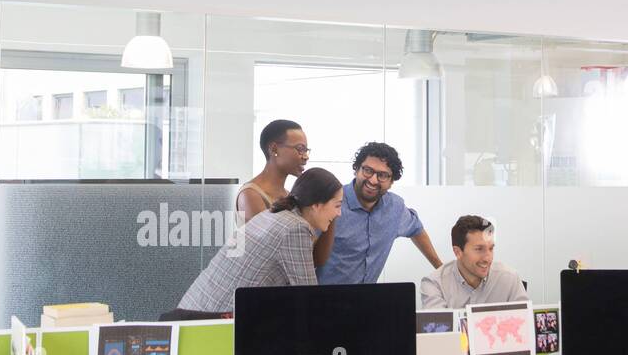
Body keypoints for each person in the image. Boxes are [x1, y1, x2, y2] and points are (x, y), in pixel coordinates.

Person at [178, 168, 342, 314]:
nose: (339, 213)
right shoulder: (296, 228)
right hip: (214, 321)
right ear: (317, 204)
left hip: (196, 308)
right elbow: (309, 298)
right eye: (337, 205)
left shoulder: (276, 214)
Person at [315, 142, 443, 284]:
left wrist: (441, 271)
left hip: (368, 300)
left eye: (382, 175)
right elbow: (305, 250)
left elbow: (416, 229)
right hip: (323, 299)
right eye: (368, 171)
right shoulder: (331, 202)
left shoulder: (395, 208)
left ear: (391, 181)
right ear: (356, 169)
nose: (373, 180)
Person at [419, 215, 528, 308]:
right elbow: (439, 329)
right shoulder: (434, 284)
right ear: (458, 252)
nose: (487, 258)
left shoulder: (510, 278)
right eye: (479, 249)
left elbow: (525, 326)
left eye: (491, 248)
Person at [237, 119, 308, 225]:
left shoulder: (289, 195)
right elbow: (270, 239)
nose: (306, 157)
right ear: (274, 149)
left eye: (306, 150)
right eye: (300, 149)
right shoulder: (250, 194)